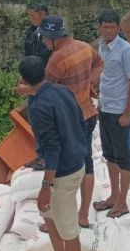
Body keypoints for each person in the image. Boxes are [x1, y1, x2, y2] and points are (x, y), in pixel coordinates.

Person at [18, 16, 103, 230]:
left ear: (55, 38)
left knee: (62, 168)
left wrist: (24, 90)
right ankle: (83, 215)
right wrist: (89, 84)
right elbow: (99, 64)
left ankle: (56, 218)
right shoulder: (84, 46)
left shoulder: (58, 58)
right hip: (88, 113)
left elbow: (42, 87)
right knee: (87, 163)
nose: (45, 43)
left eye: (46, 39)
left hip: (68, 119)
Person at [19, 56, 86, 251]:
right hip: (75, 162)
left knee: (68, 232)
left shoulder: (40, 108)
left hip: (62, 174)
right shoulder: (62, 91)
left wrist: (46, 187)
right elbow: (80, 121)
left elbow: (52, 150)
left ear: (22, 78)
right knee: (50, 219)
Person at [93, 9, 130, 219]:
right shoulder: (101, 48)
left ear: (119, 28)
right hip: (106, 109)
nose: (108, 30)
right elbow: (104, 79)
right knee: (109, 155)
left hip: (121, 111)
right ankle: (113, 196)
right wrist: (100, 105)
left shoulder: (126, 50)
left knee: (124, 158)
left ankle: (122, 202)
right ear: (100, 28)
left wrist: (127, 113)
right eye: (105, 27)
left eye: (112, 27)